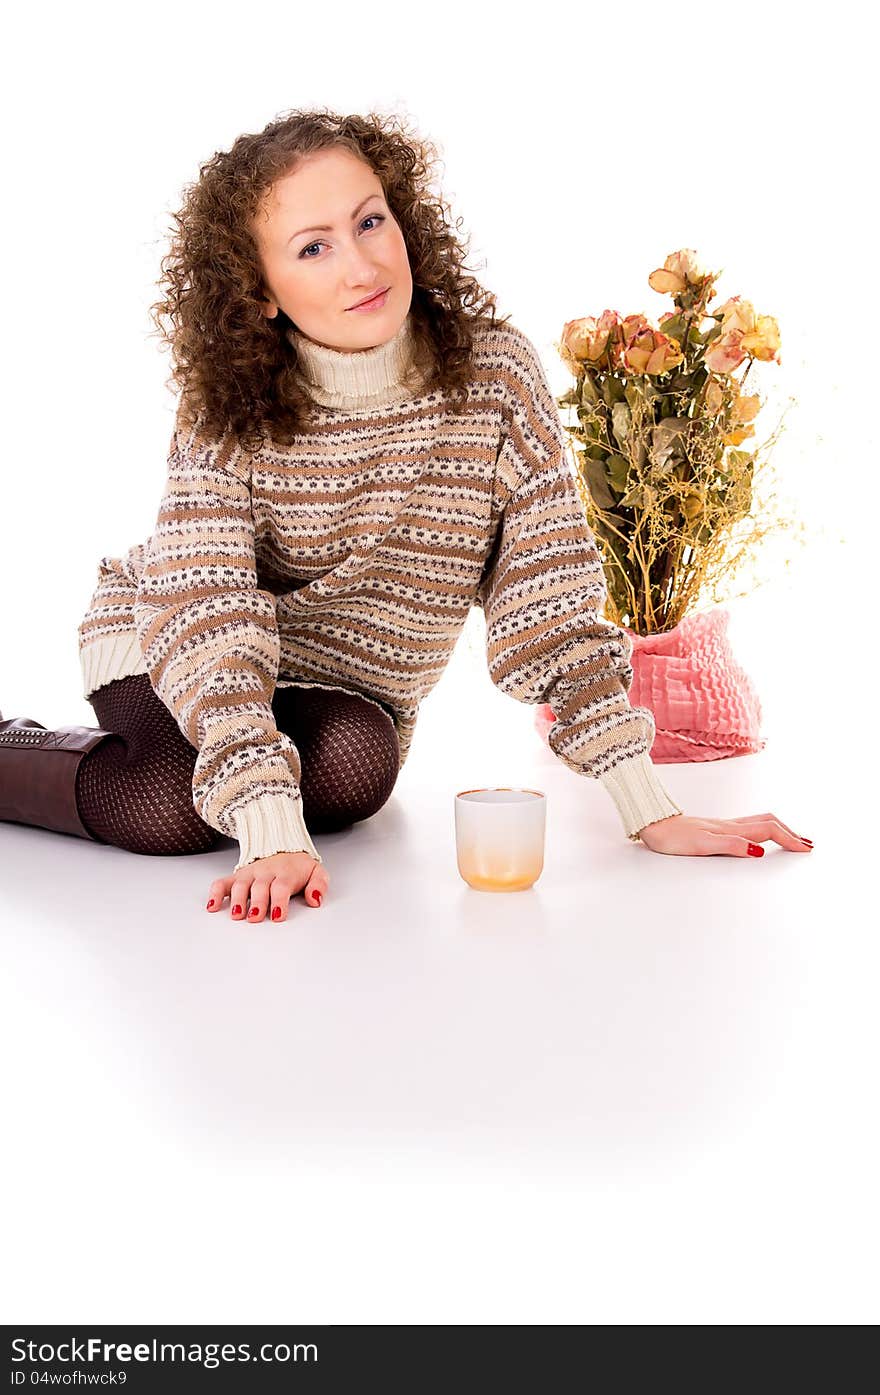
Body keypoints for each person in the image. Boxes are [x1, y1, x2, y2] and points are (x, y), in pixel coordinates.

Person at [0, 108, 814, 923]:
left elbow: (551, 607)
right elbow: (207, 610)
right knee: (168, 807)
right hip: (173, 640)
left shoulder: (494, 377)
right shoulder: (228, 405)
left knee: (361, 766)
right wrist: (268, 823)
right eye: (313, 246)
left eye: (369, 221)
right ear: (259, 292)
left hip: (342, 687)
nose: (362, 266)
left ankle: (240, 780)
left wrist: (651, 808)